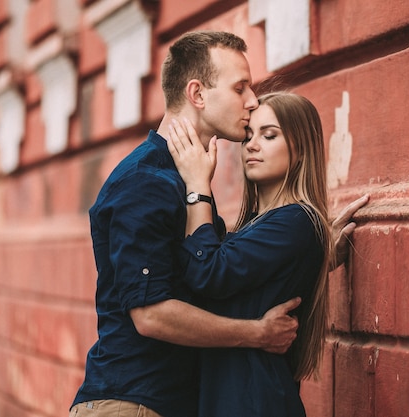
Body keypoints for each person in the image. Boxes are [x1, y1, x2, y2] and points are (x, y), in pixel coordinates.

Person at [70, 30, 367, 417]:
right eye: (240, 87)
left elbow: (217, 277)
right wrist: (255, 334)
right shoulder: (146, 183)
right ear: (197, 95)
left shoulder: (186, 182)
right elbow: (151, 315)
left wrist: (312, 256)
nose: (252, 100)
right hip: (133, 403)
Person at [165, 91, 338, 416]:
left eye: (269, 135)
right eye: (248, 137)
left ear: (301, 148)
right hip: (231, 397)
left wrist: (198, 185)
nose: (252, 146)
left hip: (253, 401)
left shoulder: (297, 220)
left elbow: (207, 272)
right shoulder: (265, 225)